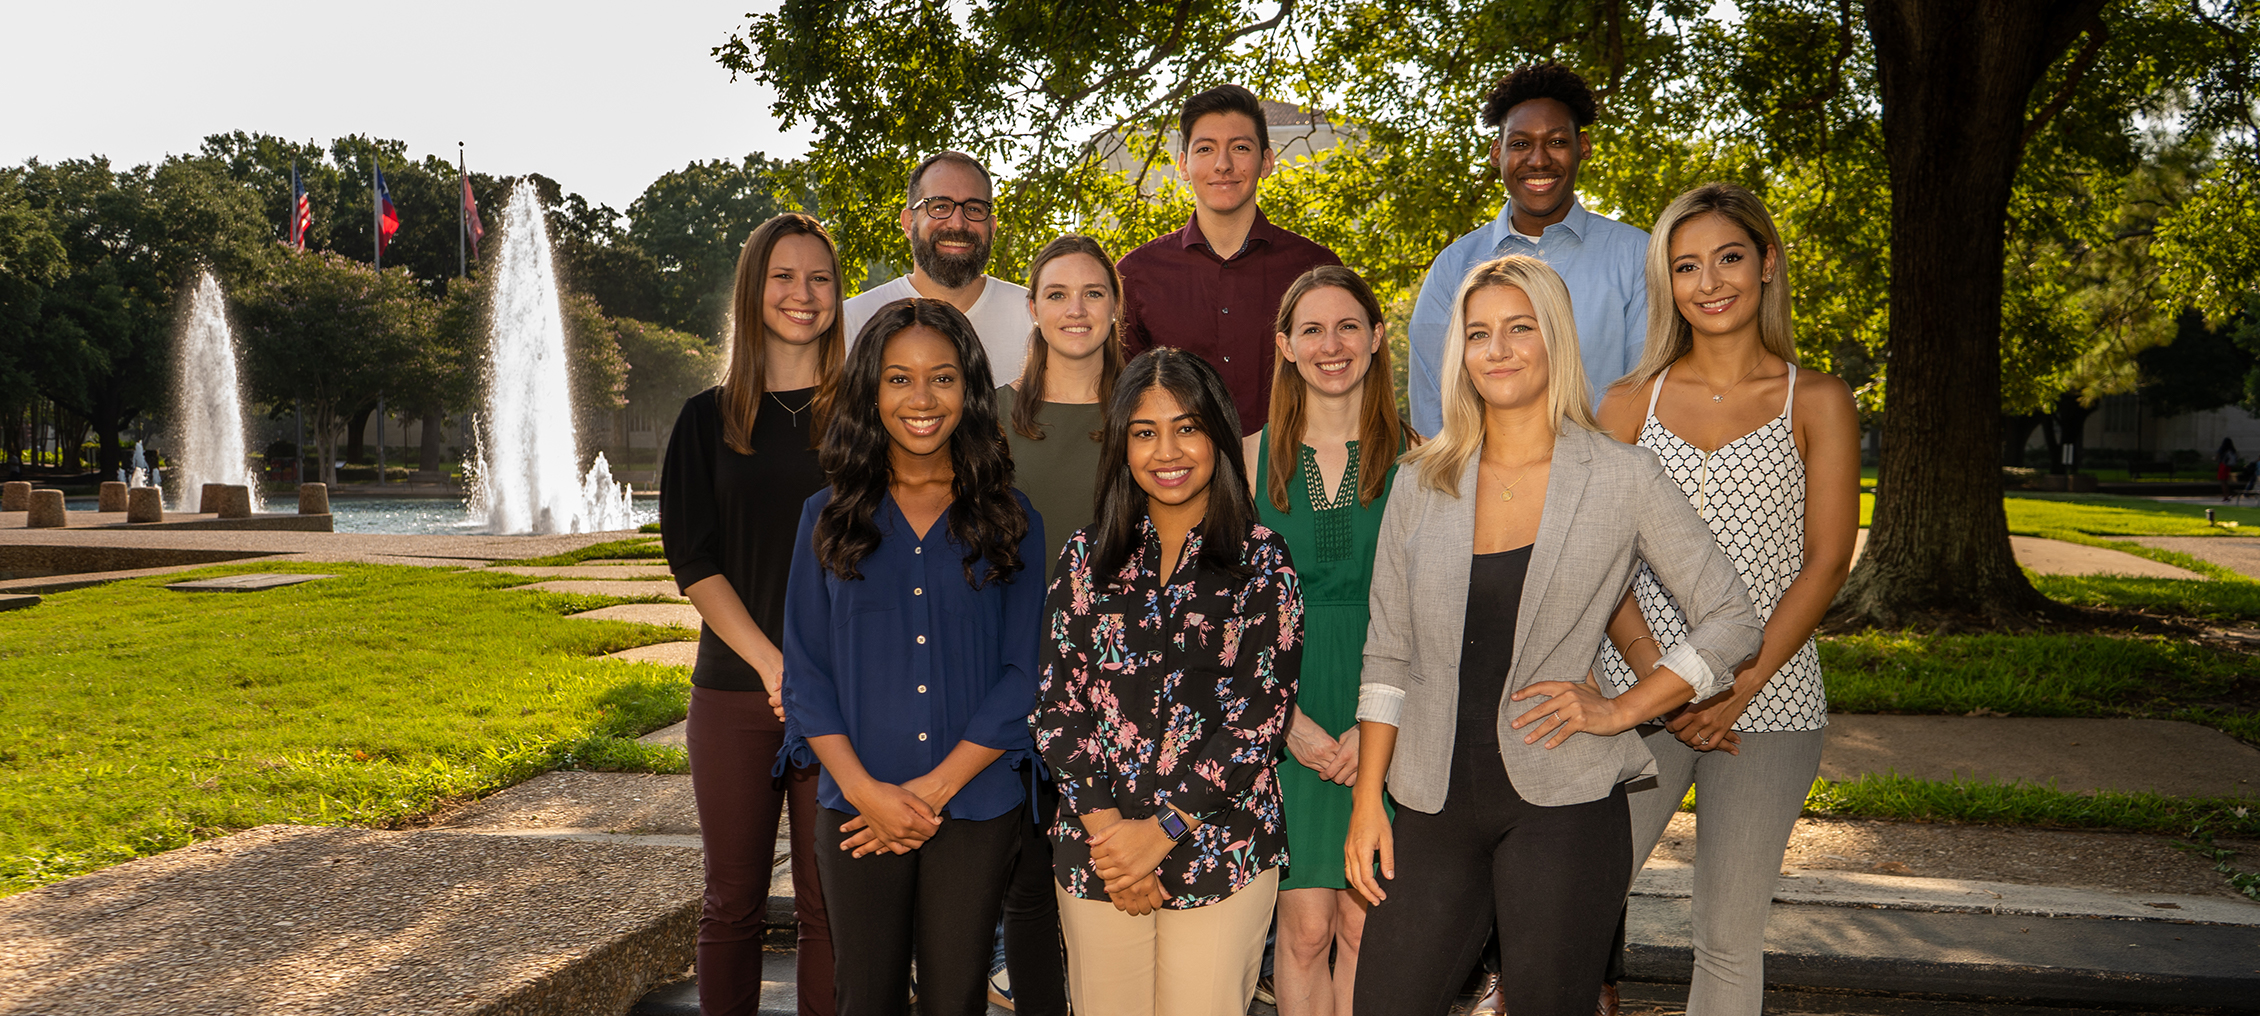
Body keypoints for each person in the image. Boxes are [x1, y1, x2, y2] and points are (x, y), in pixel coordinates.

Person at [1343, 255, 1763, 1016]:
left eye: (1517, 329)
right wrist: (1369, 798)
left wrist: (1626, 707)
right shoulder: (1421, 480)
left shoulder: (1621, 476)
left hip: (1563, 805)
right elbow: (1387, 654)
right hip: (1430, 801)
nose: (1496, 349)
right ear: (1460, 353)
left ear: (1554, 341)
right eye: (1478, 334)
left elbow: (1734, 616)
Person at [1593, 183, 1860, 1016]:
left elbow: (1826, 562)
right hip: (1637, 696)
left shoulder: (1816, 399)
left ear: (1768, 263)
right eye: (1685, 266)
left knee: (1729, 937)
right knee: (1576, 906)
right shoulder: (1627, 402)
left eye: (1729, 257)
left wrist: (1733, 686)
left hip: (1768, 701)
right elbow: (1595, 563)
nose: (1710, 282)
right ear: (1665, 284)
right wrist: (1659, 681)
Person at [779, 298, 1046, 1016]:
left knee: (956, 998)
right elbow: (805, 674)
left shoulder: (1013, 518)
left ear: (970, 389)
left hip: (976, 804)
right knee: (864, 997)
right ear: (870, 389)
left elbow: (1026, 675)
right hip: (858, 807)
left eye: (943, 378)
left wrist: (931, 792)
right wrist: (867, 792)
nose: (921, 399)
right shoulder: (826, 516)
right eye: (899, 379)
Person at [1033, 347, 1304, 1016]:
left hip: (1223, 849)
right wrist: (1114, 840)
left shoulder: (1263, 562)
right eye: (1145, 431)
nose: (1167, 450)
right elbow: (1056, 709)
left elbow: (1260, 716)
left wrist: (1160, 830)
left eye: (1187, 426)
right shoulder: (1084, 558)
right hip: (1102, 854)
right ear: (1122, 444)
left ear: (1216, 431)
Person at [660, 212, 845, 1016]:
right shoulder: (706, 420)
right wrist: (773, 664)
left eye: (819, 278)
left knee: (827, 906)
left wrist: (815, 671)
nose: (802, 295)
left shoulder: (869, 418)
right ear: (753, 290)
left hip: (841, 695)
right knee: (732, 901)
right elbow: (693, 560)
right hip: (737, 689)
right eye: (784, 277)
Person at [1238, 266, 1410, 1016]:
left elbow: (1436, 616)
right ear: (1284, 345)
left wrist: (1373, 730)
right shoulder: (1244, 459)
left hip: (1388, 705)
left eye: (1348, 327)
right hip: (1283, 707)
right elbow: (1226, 618)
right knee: (1304, 931)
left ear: (1376, 340)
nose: (1330, 344)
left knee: (1364, 923)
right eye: (1311, 329)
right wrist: (1289, 725)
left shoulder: (1425, 459)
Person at [985, 234, 1128, 1015]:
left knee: (1117, 869)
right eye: (1058, 294)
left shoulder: (1149, 411)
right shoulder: (997, 418)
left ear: (1115, 307)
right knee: (1030, 878)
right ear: (1033, 308)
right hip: (1023, 675)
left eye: (1093, 293)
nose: (1077, 309)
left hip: (1132, 680)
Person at [1407, 62, 1650, 437]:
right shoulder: (1452, 268)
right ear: (1496, 153)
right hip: (1482, 488)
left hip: (1608, 483)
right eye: (1520, 144)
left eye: (1556, 141)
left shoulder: (1637, 257)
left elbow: (1648, 391)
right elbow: (1433, 407)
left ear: (1582, 147)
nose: (1538, 160)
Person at [1118, 84, 1342, 435]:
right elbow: (1123, 398)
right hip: (1180, 477)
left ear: (1266, 162)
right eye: (1205, 149)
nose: (1223, 165)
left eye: (1240, 148)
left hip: (1293, 476)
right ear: (1184, 165)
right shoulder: (1135, 275)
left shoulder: (1315, 268)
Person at [843, 152, 1033, 379]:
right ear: (908, 223)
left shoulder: (1036, 318)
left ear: (992, 227)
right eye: (940, 206)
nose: (957, 223)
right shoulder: (852, 322)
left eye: (974, 208)